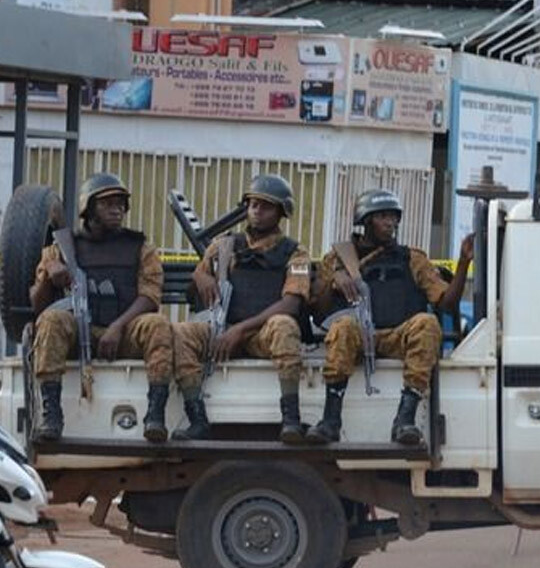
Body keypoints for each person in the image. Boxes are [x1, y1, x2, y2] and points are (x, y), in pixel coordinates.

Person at [306, 189, 473, 446]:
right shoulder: (337, 258)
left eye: (394, 217)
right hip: (359, 338)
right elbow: (317, 312)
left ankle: (405, 419)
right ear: (365, 221)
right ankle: (330, 421)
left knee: (427, 324)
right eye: (382, 216)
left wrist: (463, 262)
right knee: (342, 327)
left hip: (398, 337)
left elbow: (447, 302)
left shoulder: (412, 259)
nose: (390, 223)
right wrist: (334, 282)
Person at [29, 173, 174, 443]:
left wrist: (118, 327)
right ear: (89, 208)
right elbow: (37, 307)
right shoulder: (61, 248)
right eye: (108, 204)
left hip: (125, 331)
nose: (117, 209)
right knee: (51, 320)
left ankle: (155, 413)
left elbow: (151, 297)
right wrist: (50, 273)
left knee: (159, 325)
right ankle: (51, 415)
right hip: (78, 330)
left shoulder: (140, 247)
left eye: (121, 204)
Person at [171, 175, 312, 443]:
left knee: (284, 325)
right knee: (180, 333)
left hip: (261, 334)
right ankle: (196, 418)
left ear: (281, 212)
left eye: (266, 206)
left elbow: (292, 303)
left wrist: (240, 330)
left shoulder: (295, 252)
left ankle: (291, 418)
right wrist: (200, 277)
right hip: (223, 329)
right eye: (253, 204)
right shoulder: (224, 246)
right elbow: (198, 281)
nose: (257, 211)